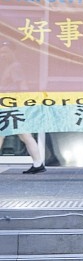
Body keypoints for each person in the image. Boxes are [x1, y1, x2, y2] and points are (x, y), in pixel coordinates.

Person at [0, 41, 46, 173]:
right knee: (24, 135)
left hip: (12, 106)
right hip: (10, 105)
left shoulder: (15, 67)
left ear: (13, 52)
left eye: (6, 52)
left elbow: (23, 87)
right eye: (1, 52)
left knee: (3, 133)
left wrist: (16, 102)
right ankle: (38, 164)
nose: (3, 55)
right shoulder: (10, 67)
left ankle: (38, 164)